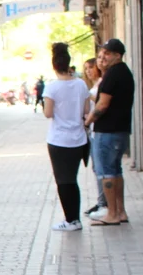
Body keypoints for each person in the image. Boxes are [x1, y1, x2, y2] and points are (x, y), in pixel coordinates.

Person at [43, 43, 92, 232]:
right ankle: (74, 218)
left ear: (54, 65)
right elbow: (86, 110)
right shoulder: (81, 84)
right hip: (78, 139)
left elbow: (48, 113)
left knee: (62, 180)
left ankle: (71, 220)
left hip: (58, 140)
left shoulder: (52, 87)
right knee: (72, 178)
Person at [86, 38, 135, 226]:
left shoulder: (112, 74)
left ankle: (112, 213)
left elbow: (102, 104)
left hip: (107, 131)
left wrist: (88, 121)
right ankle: (120, 212)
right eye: (102, 53)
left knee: (106, 173)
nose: (103, 57)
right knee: (115, 171)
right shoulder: (124, 72)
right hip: (120, 130)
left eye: (107, 53)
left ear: (117, 55)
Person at [82, 57, 107, 217]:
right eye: (86, 68)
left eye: (91, 67)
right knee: (96, 168)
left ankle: (104, 203)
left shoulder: (102, 83)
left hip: (98, 129)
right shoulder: (92, 86)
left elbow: (101, 102)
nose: (88, 71)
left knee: (101, 168)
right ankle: (101, 201)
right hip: (92, 130)